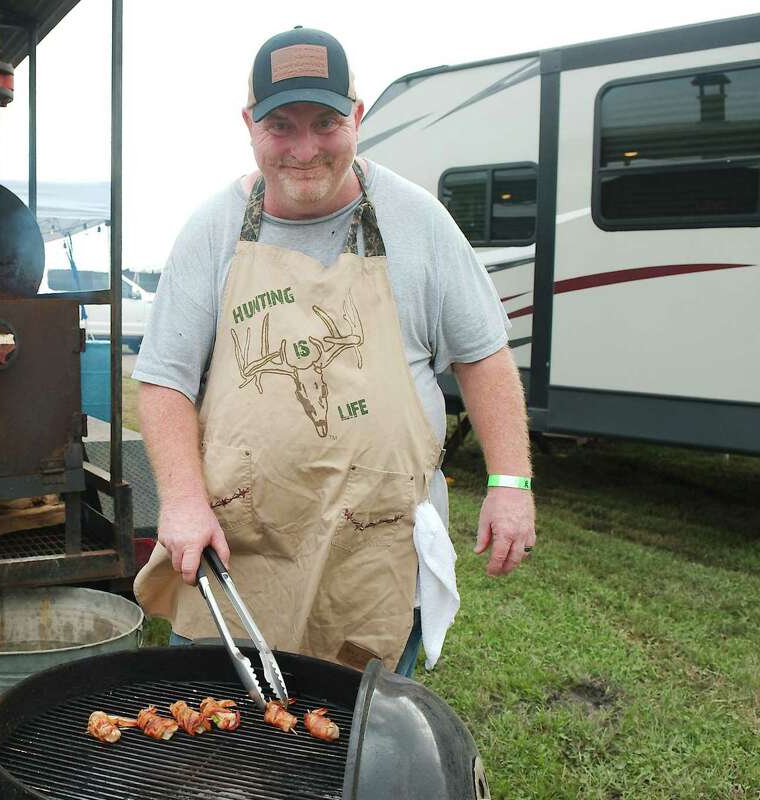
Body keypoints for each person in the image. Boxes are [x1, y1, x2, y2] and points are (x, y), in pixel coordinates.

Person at [132, 27, 537, 678]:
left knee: (355, 744)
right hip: (242, 552)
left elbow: (484, 356)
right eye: (281, 126)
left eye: (325, 123)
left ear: (357, 115)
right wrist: (181, 500)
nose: (304, 149)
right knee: (222, 742)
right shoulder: (212, 230)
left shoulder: (419, 221)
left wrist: (510, 483)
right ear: (248, 125)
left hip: (373, 554)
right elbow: (163, 382)